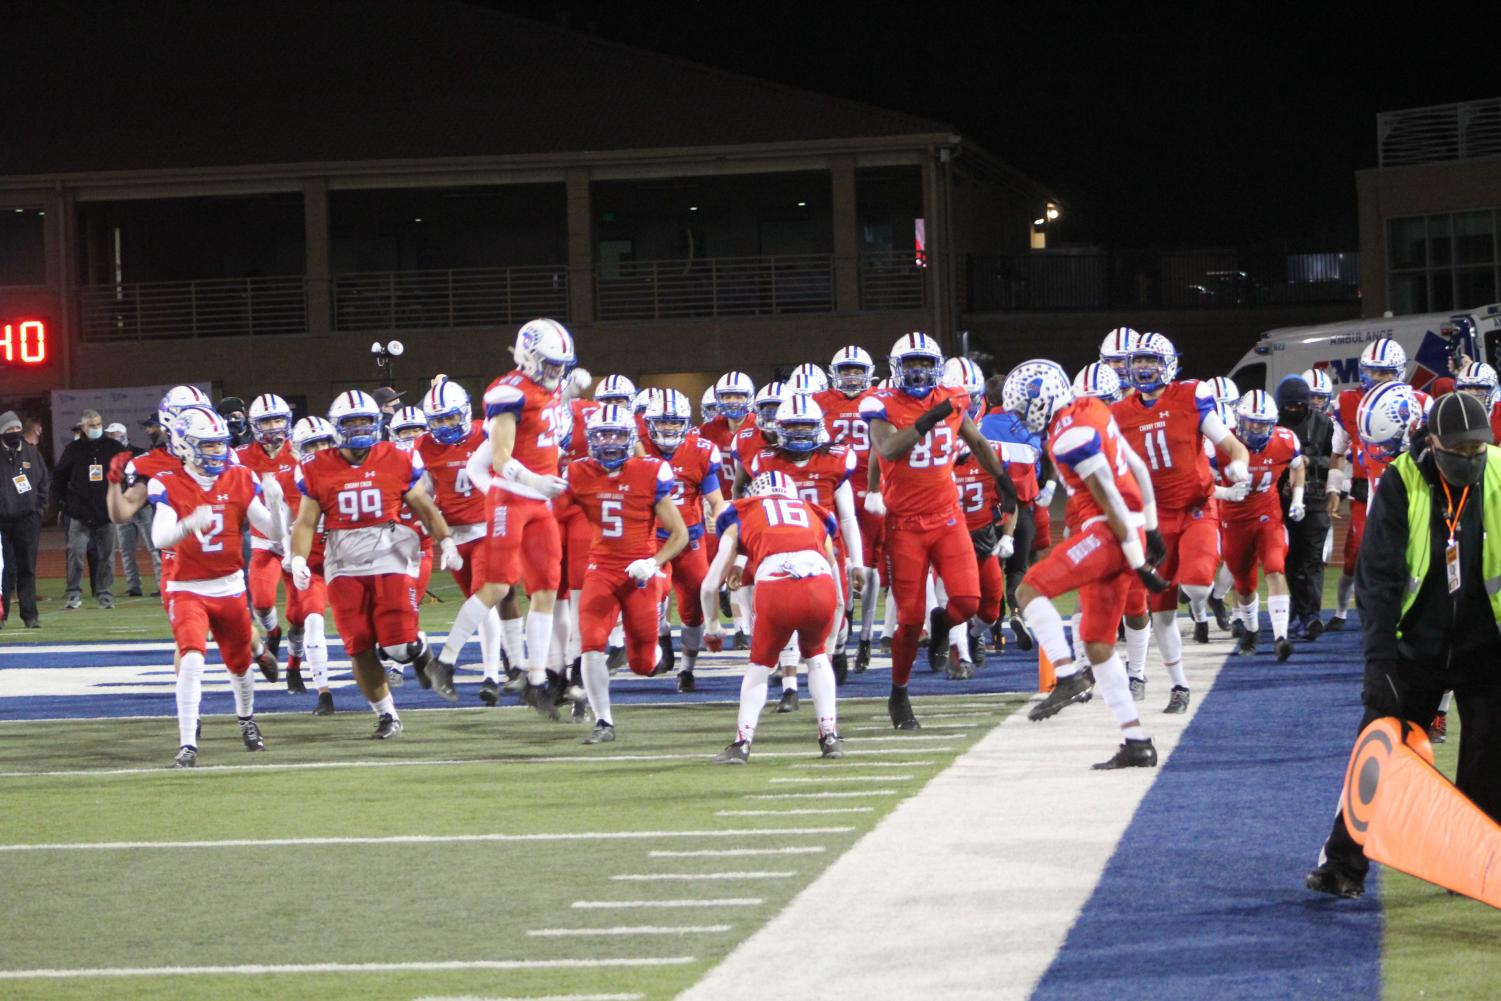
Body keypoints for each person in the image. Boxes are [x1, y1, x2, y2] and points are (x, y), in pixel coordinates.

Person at [1306, 392, 1501, 900]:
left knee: (1491, 753)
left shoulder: (1499, 473)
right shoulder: (1400, 482)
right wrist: (1379, 663)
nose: (1468, 458)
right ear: (1430, 441)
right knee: (1379, 746)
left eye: (1477, 449)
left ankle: (1473, 861)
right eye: (1456, 449)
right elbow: (1379, 582)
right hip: (1417, 644)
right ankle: (1342, 862)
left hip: (1487, 643)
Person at [1004, 360, 1169, 769]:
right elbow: (1137, 467)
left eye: (1025, 407)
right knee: (1097, 642)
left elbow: (1110, 496)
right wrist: (1151, 527)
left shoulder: (1068, 436)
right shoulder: (1093, 410)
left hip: (1109, 533)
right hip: (1126, 529)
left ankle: (1066, 674)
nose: (1023, 417)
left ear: (1042, 400)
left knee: (1028, 589)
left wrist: (1138, 560)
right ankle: (1137, 741)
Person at [861, 333, 1016, 730]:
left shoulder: (953, 397)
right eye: (910, 364)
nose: (918, 371)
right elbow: (889, 449)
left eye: (924, 363)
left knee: (966, 602)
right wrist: (928, 418)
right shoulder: (880, 402)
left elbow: (977, 441)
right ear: (897, 367)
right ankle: (899, 691)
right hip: (904, 525)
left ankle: (943, 624)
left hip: (947, 517)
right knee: (909, 621)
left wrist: (1003, 481)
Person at [427, 319, 579, 717]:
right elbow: (498, 459)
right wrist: (533, 481)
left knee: (545, 589)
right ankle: (444, 661)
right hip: (512, 500)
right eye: (550, 363)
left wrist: (569, 398)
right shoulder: (508, 392)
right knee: (496, 586)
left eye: (561, 364)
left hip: (539, 505)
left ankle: (536, 679)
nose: (556, 372)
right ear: (529, 357)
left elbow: (546, 431)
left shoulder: (552, 391)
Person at [291, 390, 458, 737]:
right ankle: (387, 715)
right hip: (343, 562)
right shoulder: (316, 467)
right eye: (351, 422)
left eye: (364, 420)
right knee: (360, 644)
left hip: (390, 556)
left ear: (377, 423)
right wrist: (297, 559)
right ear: (338, 427)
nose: (358, 428)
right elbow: (306, 522)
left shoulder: (396, 458)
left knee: (398, 647)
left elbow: (425, 508)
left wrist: (446, 541)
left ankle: (419, 648)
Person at [1112, 333, 1249, 708]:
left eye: (1150, 361)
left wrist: (1238, 463)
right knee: (1159, 610)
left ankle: (1203, 609)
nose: (1142, 368)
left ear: (1169, 364)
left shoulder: (1190, 396)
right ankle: (1179, 685)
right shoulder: (1119, 414)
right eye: (1137, 361)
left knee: (1198, 586)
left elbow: (1231, 444)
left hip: (1196, 510)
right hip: (1154, 520)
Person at [150, 408, 288, 767]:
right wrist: (186, 525)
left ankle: (246, 720)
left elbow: (274, 535)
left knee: (240, 664)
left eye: (219, 444)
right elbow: (159, 537)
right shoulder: (167, 482)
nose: (217, 452)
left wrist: (275, 504)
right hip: (187, 587)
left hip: (228, 586)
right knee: (192, 657)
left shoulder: (240, 477)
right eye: (207, 445)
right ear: (185, 446)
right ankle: (187, 743)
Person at [559, 405, 689, 745]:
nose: (610, 441)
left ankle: (660, 636)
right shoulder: (578, 473)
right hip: (600, 567)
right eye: (602, 434)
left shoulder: (650, 471)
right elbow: (552, 513)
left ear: (629, 437)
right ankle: (604, 721)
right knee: (590, 645)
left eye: (616, 434)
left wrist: (654, 562)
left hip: (641, 571)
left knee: (643, 664)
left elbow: (680, 534)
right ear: (590, 439)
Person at [705, 471, 845, 764]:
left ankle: (742, 742)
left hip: (777, 586)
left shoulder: (743, 513)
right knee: (818, 657)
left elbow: (709, 584)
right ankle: (829, 736)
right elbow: (834, 576)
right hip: (821, 585)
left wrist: (712, 625)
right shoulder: (813, 512)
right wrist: (836, 624)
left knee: (760, 665)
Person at [417, 378, 513, 705]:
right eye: (438, 419)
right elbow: (425, 498)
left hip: (488, 528)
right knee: (483, 604)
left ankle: (487, 675)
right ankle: (504, 664)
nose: (445, 425)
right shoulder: (424, 448)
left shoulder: (486, 432)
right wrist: (440, 538)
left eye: (450, 417)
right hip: (454, 535)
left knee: (483, 597)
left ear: (464, 412)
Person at [641, 389, 725, 693]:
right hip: (653, 539)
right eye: (662, 422)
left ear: (686, 423)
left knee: (694, 608)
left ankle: (687, 670)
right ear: (650, 423)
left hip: (690, 539)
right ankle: (661, 635)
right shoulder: (639, 448)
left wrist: (723, 520)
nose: (668, 428)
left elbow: (716, 498)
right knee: (651, 595)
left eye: (675, 423)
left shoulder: (701, 451)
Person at [1218, 390, 1305, 660]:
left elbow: (1298, 466)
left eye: (1262, 423)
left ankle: (1280, 637)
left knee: (1275, 567)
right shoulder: (1221, 443)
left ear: (1274, 423)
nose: (1255, 428)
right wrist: (1225, 493)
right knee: (1243, 584)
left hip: (1268, 514)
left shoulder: (1285, 440)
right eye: (1250, 422)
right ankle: (1252, 629)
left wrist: (1298, 497)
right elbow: (1200, 485)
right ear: (1239, 419)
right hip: (1233, 518)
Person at [814, 345, 883, 671]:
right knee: (835, 561)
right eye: (846, 370)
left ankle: (866, 637)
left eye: (857, 370)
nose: (852, 376)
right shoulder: (819, 402)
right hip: (832, 485)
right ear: (835, 373)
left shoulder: (882, 398)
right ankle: (841, 632)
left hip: (871, 488)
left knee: (868, 567)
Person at [237, 394, 299, 663]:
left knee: (300, 614)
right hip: (264, 539)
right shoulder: (239, 457)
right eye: (266, 421)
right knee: (261, 602)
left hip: (299, 539)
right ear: (254, 426)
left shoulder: (301, 450)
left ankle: (295, 667)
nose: (273, 426)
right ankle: (272, 632)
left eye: (277, 419)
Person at [1276, 375, 1334, 638]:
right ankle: (1299, 610)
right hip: (1281, 504)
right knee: (1290, 561)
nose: (1294, 411)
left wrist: (1309, 462)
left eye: (1299, 405)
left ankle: (1311, 615)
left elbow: (1335, 461)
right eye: (1289, 407)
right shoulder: (1273, 425)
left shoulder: (1323, 423)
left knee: (1312, 562)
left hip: (1316, 500)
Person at [55, 408, 127, 609]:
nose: (96, 428)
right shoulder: (73, 449)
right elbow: (60, 476)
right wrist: (63, 503)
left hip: (106, 512)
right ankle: (73, 593)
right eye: (92, 425)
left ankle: (104, 593)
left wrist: (121, 499)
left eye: (98, 424)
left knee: (107, 556)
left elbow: (126, 475)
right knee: (75, 553)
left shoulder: (114, 447)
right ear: (83, 427)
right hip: (79, 512)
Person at [0, 410, 48, 628]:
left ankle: (30, 616)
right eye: (9, 429)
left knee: (27, 568)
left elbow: (44, 483)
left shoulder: (31, 453)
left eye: (17, 428)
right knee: (3, 570)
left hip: (27, 520)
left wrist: (38, 510)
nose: (15, 432)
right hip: (2, 520)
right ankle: (1, 615)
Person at [109, 421, 163, 598]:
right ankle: (133, 586)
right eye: (110, 435)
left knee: (154, 547)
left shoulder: (139, 453)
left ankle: (161, 584)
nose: (112, 438)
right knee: (125, 550)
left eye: (114, 434)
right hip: (123, 504)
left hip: (143, 506)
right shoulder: (108, 455)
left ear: (123, 434)